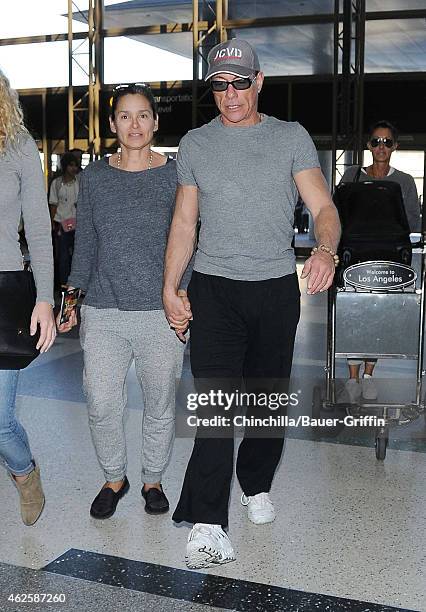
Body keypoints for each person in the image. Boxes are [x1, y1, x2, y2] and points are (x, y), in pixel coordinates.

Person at [162, 39, 341, 568]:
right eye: (220, 84)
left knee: (267, 400)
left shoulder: (290, 137)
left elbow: (323, 206)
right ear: (211, 89)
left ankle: (256, 483)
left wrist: (326, 250)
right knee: (214, 405)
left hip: (272, 289)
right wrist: (171, 286)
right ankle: (207, 524)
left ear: (259, 82)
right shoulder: (195, 144)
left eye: (241, 82)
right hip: (214, 288)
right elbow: (184, 223)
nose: (231, 94)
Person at [58, 83, 190, 519]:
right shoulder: (95, 177)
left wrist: (183, 294)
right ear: (113, 123)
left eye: (143, 115)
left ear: (155, 121)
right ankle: (115, 478)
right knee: (100, 400)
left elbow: (188, 237)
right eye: (125, 116)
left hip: (161, 312)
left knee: (158, 403)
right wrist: (71, 299)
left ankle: (152, 479)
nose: (135, 124)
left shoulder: (175, 175)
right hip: (104, 310)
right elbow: (88, 244)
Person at [0, 68, 56, 525]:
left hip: (5, 289)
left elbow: (39, 231)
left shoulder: (19, 147)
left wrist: (45, 298)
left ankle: (24, 471)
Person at [340, 120, 420, 402]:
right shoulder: (352, 175)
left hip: (387, 258)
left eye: (387, 142)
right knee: (352, 311)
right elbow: (338, 212)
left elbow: (412, 220)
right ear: (369, 145)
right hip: (354, 256)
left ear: (395, 146)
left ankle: (369, 374)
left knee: (376, 313)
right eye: (376, 141)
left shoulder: (405, 181)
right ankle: (351, 377)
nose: (381, 147)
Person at [49, 152, 80, 287]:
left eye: (76, 166)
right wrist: (51, 224)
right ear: (65, 166)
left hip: (78, 224)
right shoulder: (56, 183)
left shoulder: (79, 182)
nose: (74, 169)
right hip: (61, 223)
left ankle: (76, 283)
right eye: (71, 165)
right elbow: (53, 205)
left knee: (77, 256)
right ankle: (63, 284)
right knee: (63, 256)